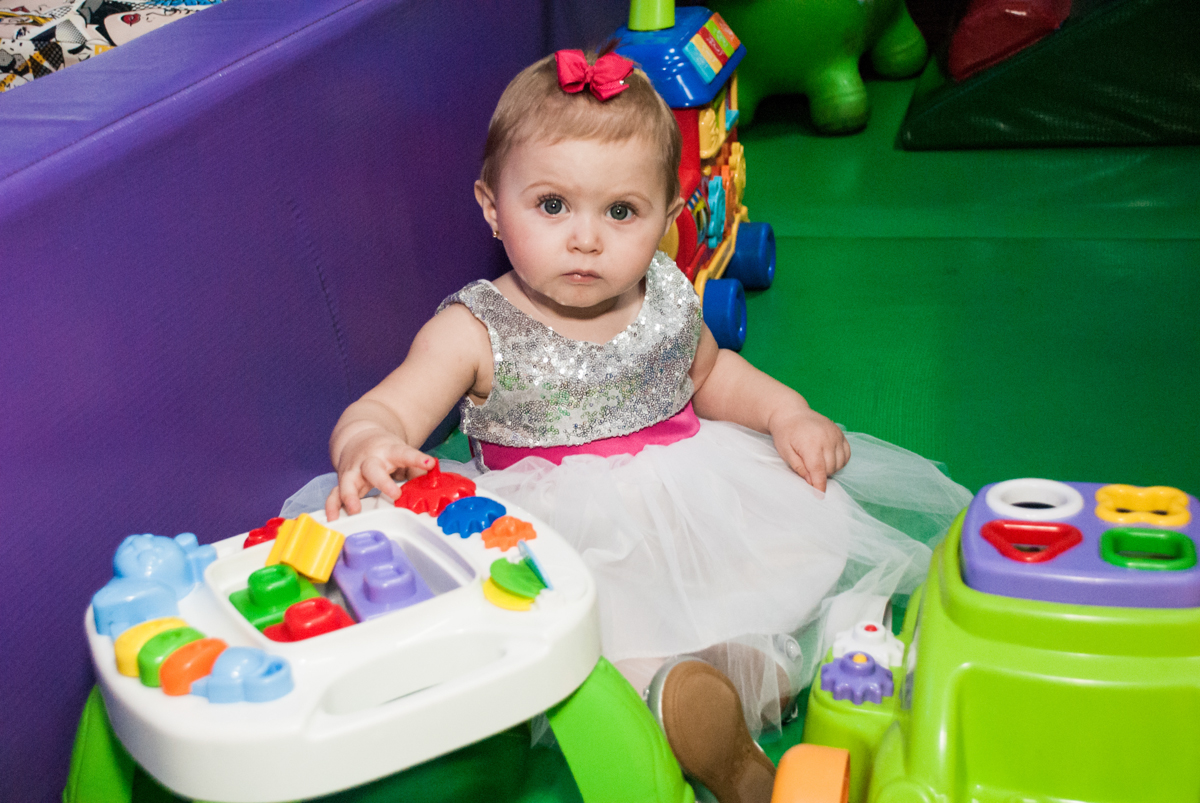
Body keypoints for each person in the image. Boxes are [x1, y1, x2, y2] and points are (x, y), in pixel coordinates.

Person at [287, 47, 972, 803]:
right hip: (557, 530)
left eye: (621, 212)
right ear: (491, 205)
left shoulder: (667, 294)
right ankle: (675, 705)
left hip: (694, 497)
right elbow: (388, 406)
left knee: (775, 570)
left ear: (668, 219)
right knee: (595, 633)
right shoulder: (473, 327)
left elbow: (710, 376)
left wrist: (786, 413)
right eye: (552, 206)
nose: (587, 239)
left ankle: (732, 685)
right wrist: (370, 442)